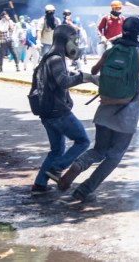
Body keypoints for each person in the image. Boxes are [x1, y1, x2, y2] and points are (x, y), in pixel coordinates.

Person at [56, 17, 139, 203]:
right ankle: (83, 191)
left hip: (105, 108)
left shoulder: (111, 51)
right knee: (114, 156)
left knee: (99, 150)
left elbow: (94, 71)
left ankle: (77, 167)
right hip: (126, 113)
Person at [30, 24, 96, 196]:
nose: (75, 44)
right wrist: (85, 77)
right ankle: (57, 168)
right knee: (83, 141)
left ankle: (39, 185)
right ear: (64, 40)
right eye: (73, 40)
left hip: (48, 113)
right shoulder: (55, 59)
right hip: (58, 113)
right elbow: (63, 81)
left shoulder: (50, 57)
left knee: (57, 150)